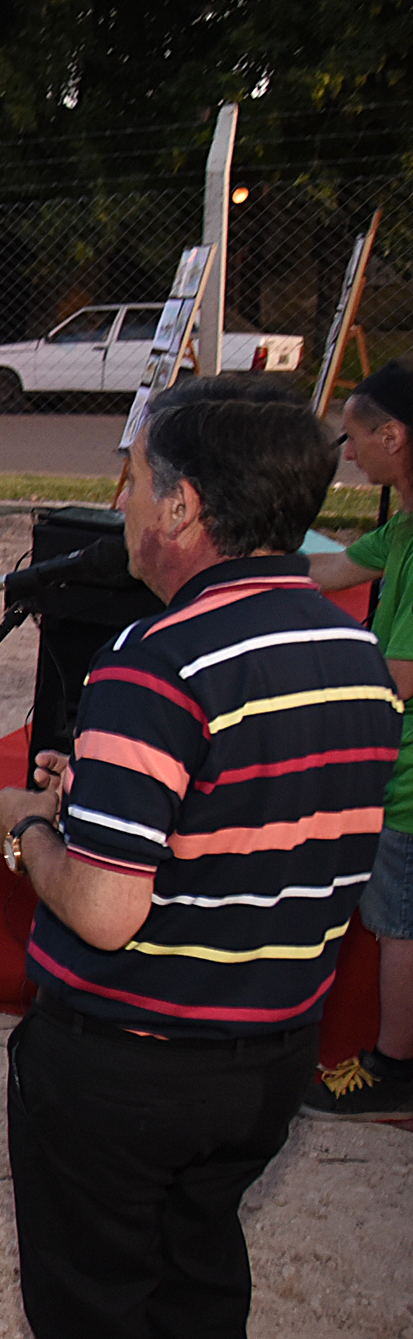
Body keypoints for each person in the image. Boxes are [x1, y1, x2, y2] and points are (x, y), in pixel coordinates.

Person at [0, 378, 398, 1339]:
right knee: (200, 1297)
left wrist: (26, 831)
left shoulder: (154, 659)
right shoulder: (346, 645)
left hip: (124, 1065)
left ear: (182, 506)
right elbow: (259, 826)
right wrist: (104, 802)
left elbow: (109, 910)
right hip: (262, 1057)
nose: (119, 496)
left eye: (134, 474)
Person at [305, 360, 413, 1119]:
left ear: (393, 435)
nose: (347, 452)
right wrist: (240, 561)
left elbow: (400, 673)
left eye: (354, 436)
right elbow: (332, 567)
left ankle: (393, 1066)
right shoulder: (402, 525)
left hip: (408, 781)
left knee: (400, 924)